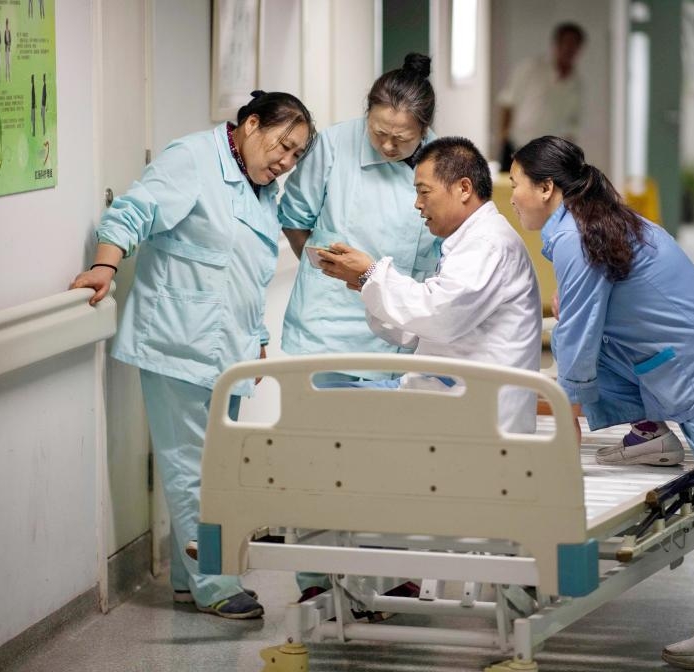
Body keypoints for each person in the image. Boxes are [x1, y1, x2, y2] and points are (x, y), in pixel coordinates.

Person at [509, 136, 694, 670]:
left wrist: (560, 410)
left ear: (547, 188)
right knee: (588, 335)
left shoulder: (579, 239)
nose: (512, 198)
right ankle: (650, 435)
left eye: (517, 186)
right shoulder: (602, 220)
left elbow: (576, 341)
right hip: (692, 347)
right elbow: (603, 306)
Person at [69, 91, 316, 620]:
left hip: (227, 350)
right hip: (177, 342)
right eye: (283, 145)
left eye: (297, 155)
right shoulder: (194, 159)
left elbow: (245, 270)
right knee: (192, 469)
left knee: (216, 467)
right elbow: (136, 210)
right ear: (251, 124)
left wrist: (255, 336)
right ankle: (215, 583)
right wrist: (105, 266)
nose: (286, 161)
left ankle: (187, 577)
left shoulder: (261, 188)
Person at [317, 136, 542, 434]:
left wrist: (371, 274)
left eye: (424, 192)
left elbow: (439, 316)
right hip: (447, 393)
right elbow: (420, 328)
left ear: (463, 188)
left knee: (319, 409)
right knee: (319, 399)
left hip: (469, 410)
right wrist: (365, 282)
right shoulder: (470, 241)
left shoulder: (488, 244)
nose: (418, 204)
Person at [278, 53, 440, 384]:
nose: (389, 145)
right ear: (366, 114)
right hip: (330, 329)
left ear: (424, 131)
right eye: (379, 132)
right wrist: (326, 273)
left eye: (403, 139)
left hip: (400, 327)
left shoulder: (442, 160)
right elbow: (295, 220)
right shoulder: (333, 146)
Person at [497, 22, 586, 170]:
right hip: (517, 147)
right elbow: (507, 102)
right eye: (566, 43)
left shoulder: (576, 84)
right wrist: (503, 138)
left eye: (574, 44)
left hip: (548, 155)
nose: (569, 49)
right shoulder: (530, 69)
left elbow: (572, 123)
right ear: (556, 44)